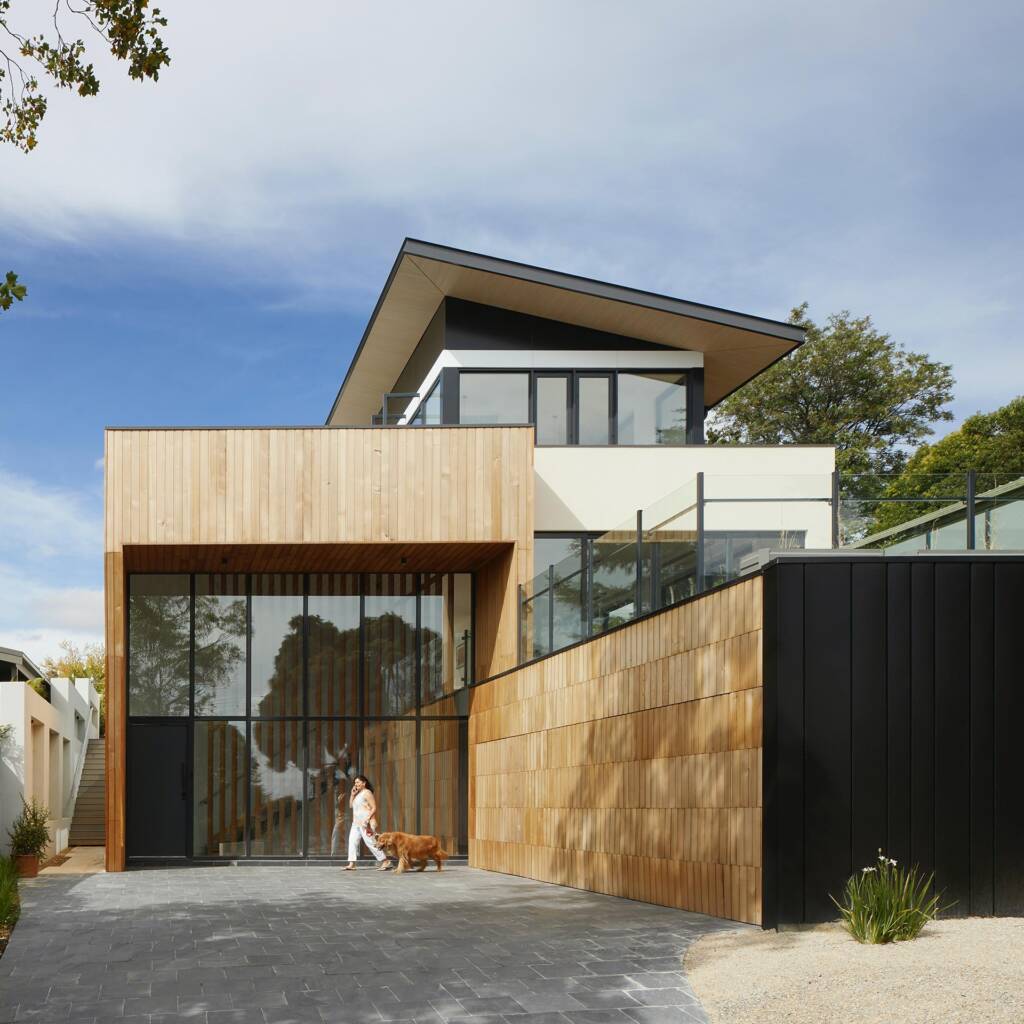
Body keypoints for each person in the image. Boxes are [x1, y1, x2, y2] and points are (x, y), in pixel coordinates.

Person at [344, 774, 391, 871]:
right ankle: (352, 864)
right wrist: (352, 795)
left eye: (358, 782)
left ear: (364, 783)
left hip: (365, 824)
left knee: (371, 842)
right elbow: (351, 806)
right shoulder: (358, 794)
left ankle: (385, 861)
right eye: (355, 782)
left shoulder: (367, 793)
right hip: (356, 823)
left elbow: (374, 807)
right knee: (352, 842)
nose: (356, 784)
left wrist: (368, 819)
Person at [329, 748, 353, 858]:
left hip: (348, 802)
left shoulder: (348, 772)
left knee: (348, 828)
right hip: (341, 803)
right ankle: (334, 852)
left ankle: (350, 851)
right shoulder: (337, 773)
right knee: (338, 827)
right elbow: (336, 787)